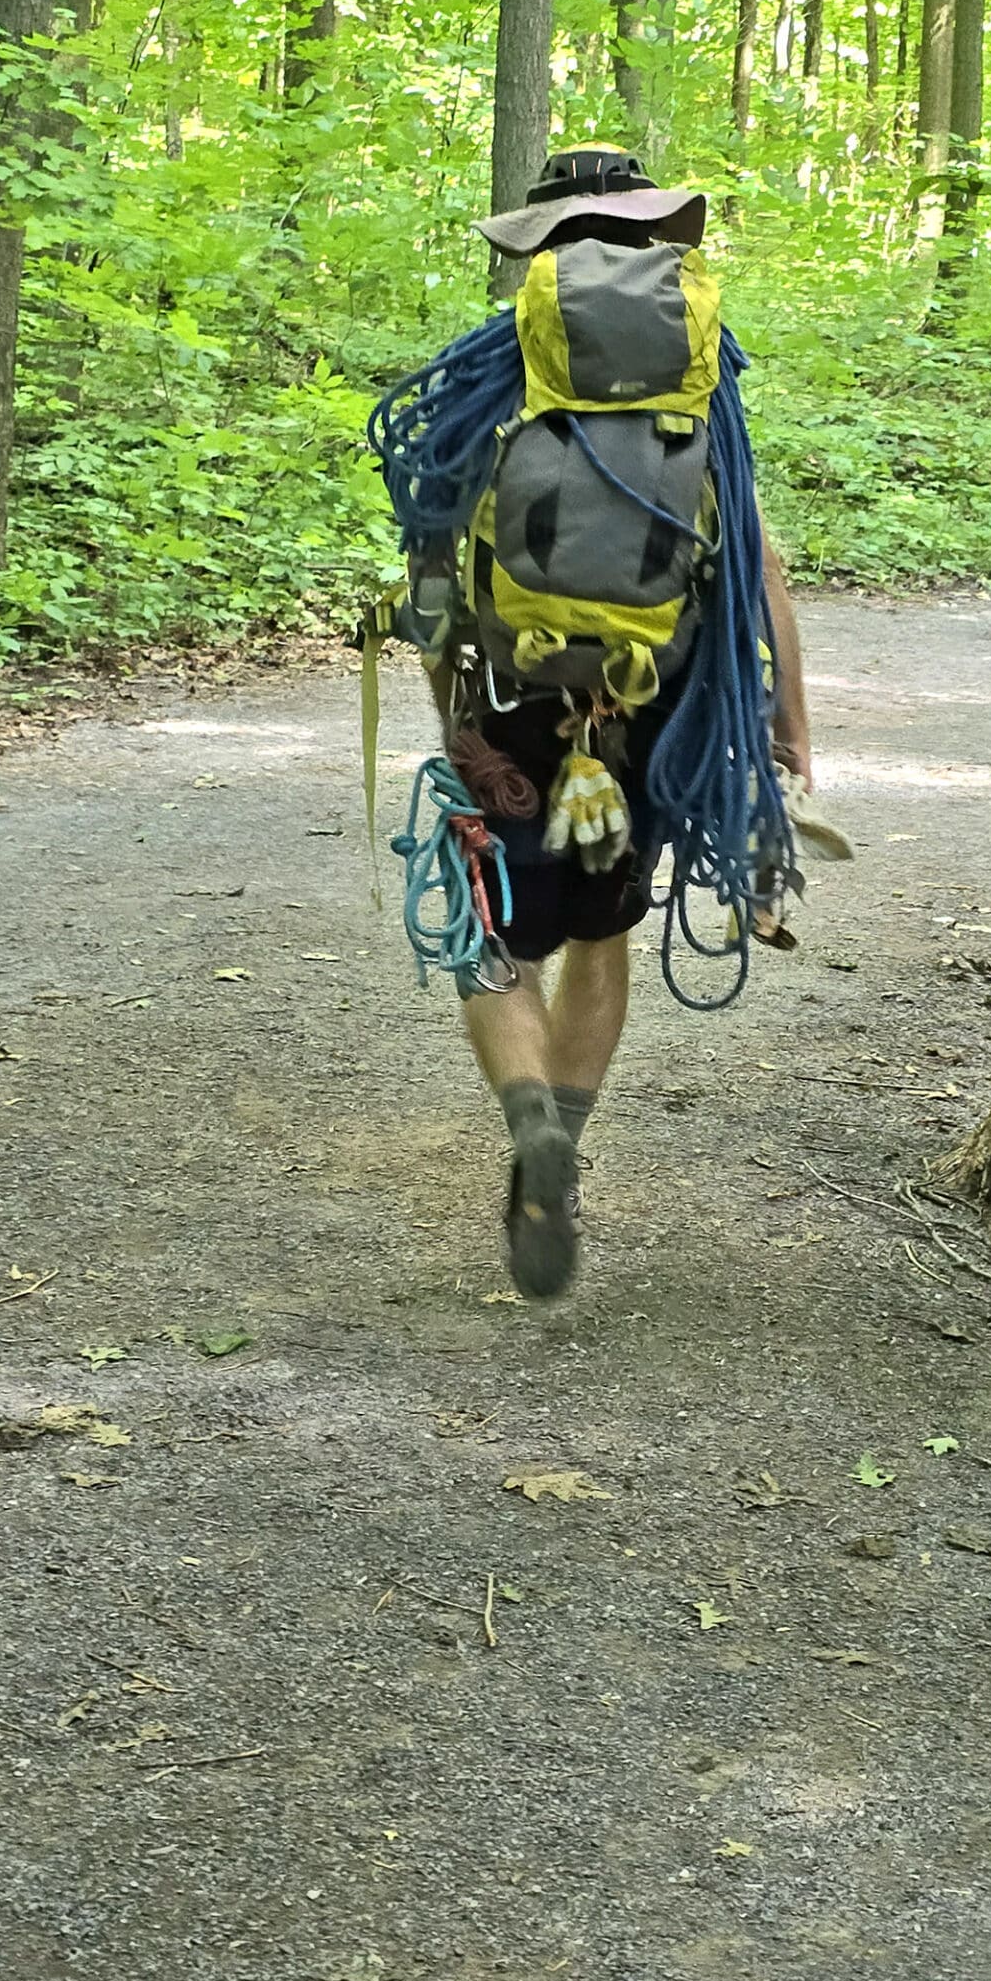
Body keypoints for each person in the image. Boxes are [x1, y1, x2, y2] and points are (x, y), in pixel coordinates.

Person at [384, 145, 814, 1299]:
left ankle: (529, 1120)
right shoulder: (701, 380)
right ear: (649, 236)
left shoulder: (491, 371)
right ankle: (564, 1144)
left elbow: (433, 567)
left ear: (537, 241)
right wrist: (785, 725)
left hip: (507, 698)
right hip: (642, 706)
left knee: (494, 936)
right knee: (600, 936)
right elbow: (754, 573)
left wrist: (451, 712)